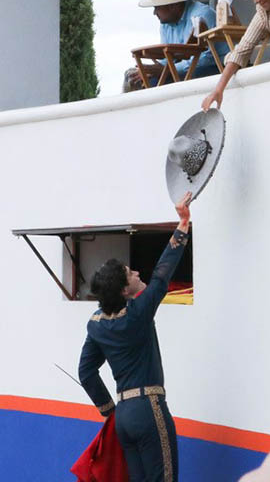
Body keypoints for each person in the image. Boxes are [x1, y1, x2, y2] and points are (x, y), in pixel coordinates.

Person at [78, 191, 192, 482]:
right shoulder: (137, 314)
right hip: (149, 409)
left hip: (124, 416)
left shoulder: (96, 324)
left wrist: (109, 410)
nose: (138, 272)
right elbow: (162, 274)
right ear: (123, 290)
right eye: (130, 274)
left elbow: (86, 373)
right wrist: (183, 224)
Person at [124, 0, 227, 91]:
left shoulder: (201, 16)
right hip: (188, 68)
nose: (154, 13)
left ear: (173, 6)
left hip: (216, 67)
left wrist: (166, 69)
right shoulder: (166, 23)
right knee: (137, 78)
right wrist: (149, 70)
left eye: (157, 7)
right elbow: (167, 57)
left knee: (157, 84)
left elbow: (206, 58)